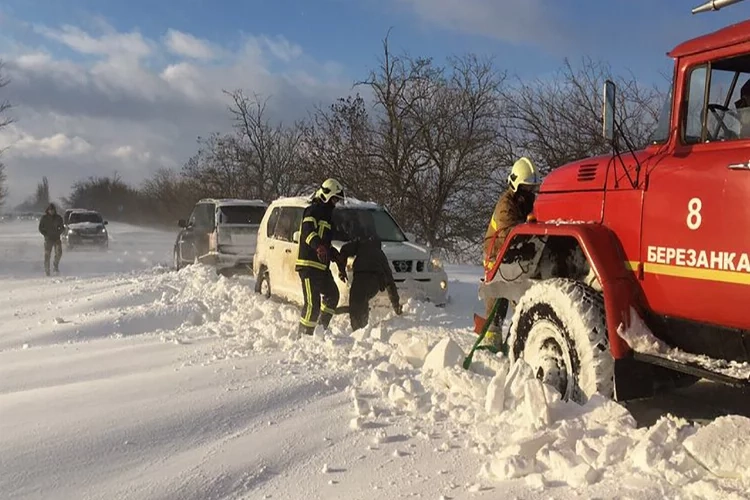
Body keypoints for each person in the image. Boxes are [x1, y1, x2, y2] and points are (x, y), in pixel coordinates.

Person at [481, 157, 540, 347]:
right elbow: (511, 233)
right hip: (496, 253)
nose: (529, 193)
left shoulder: (526, 203)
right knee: (497, 296)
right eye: (526, 189)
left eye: (532, 189)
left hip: (514, 254)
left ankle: (517, 337)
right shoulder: (505, 206)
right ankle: (492, 339)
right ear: (515, 186)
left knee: (519, 297)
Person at [295, 178, 347, 336]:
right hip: (309, 266)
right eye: (334, 199)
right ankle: (304, 336)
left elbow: (325, 243)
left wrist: (335, 257)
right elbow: (307, 233)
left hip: (321, 268)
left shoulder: (328, 217)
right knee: (313, 304)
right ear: (326, 195)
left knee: (333, 295)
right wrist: (318, 246)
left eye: (337, 200)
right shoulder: (312, 211)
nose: (335, 203)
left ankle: (321, 329)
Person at [338, 230, 402, 331]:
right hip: (373, 283)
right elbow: (390, 282)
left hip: (359, 279)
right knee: (363, 300)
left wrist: (341, 268)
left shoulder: (361, 245)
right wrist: (396, 304)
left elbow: (345, 249)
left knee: (355, 303)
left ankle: (357, 329)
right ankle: (363, 327)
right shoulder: (381, 255)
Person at [38, 203, 65, 276]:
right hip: (48, 239)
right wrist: (45, 234)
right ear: (48, 210)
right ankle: (47, 269)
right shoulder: (44, 218)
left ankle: (55, 265)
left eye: (52, 210)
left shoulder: (58, 218)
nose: (51, 211)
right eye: (50, 210)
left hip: (56, 238)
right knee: (47, 255)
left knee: (59, 253)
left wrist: (59, 232)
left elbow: (62, 227)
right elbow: (40, 228)